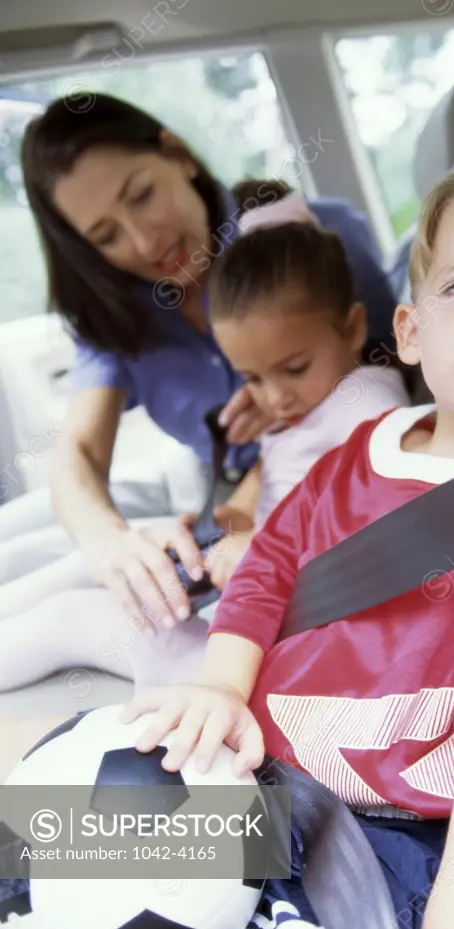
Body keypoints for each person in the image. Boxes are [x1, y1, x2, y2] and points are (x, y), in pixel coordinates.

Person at [1, 153, 454, 929]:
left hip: (374, 828)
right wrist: (218, 684)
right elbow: (264, 575)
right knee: (50, 781)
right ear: (409, 332)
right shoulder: (350, 459)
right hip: (255, 767)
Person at [0, 93, 397, 628]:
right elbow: (76, 453)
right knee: (20, 540)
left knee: (58, 607)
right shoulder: (116, 315)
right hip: (207, 488)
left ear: (179, 155)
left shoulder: (310, 239)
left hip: (291, 498)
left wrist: (308, 396)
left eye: (142, 195)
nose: (144, 242)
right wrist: (110, 544)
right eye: (107, 236)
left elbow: (407, 368)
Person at [0, 222, 409, 693]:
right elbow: (249, 499)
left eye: (294, 369)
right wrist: (217, 531)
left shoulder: (371, 408)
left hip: (276, 654)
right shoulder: (303, 413)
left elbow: (367, 530)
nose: (274, 398)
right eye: (252, 379)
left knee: (69, 617)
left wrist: (260, 548)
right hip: (243, 607)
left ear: (353, 328)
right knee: (94, 567)